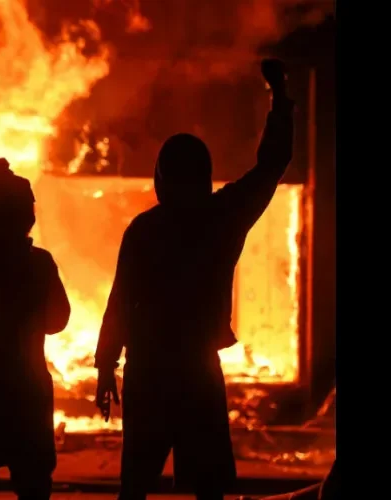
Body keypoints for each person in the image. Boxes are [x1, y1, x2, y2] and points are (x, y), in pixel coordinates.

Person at [94, 59, 294, 500]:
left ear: (161, 179)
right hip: (197, 370)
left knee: (136, 487)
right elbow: (273, 161)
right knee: (209, 488)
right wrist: (279, 93)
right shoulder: (223, 217)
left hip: (147, 371)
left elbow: (120, 301)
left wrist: (106, 364)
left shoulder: (144, 230)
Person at [0, 157, 71, 500]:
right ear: (28, 216)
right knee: (34, 481)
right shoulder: (39, 263)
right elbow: (58, 321)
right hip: (28, 384)